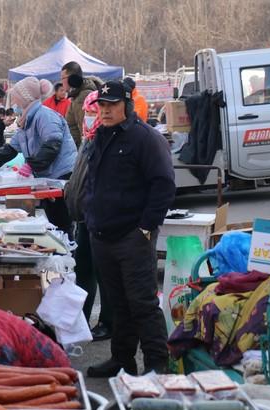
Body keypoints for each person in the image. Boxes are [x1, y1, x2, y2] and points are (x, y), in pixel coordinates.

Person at [84, 80, 175, 377]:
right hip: (102, 234)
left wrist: (147, 228)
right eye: (102, 105)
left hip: (132, 236)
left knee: (143, 304)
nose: (106, 110)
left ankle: (157, 364)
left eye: (112, 105)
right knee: (117, 303)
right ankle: (122, 360)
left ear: (126, 104)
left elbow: (163, 184)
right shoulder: (100, 135)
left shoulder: (145, 138)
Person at [0, 77, 77, 236]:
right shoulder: (25, 121)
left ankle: (67, 253)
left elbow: (53, 143)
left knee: (61, 221)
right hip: (47, 176)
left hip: (62, 175)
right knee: (52, 219)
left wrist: (31, 165)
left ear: (25, 98)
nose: (13, 102)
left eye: (16, 98)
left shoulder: (45, 116)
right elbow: (10, 149)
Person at [68, 90, 113, 341]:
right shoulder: (89, 138)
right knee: (84, 269)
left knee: (102, 272)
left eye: (91, 113)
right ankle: (81, 320)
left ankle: (107, 322)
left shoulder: (105, 141)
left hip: (98, 218)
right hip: (84, 217)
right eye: (86, 112)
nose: (87, 117)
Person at [61, 61, 102, 147]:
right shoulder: (76, 95)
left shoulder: (83, 97)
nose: (61, 82)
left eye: (62, 78)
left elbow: (84, 131)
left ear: (71, 79)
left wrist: (81, 154)